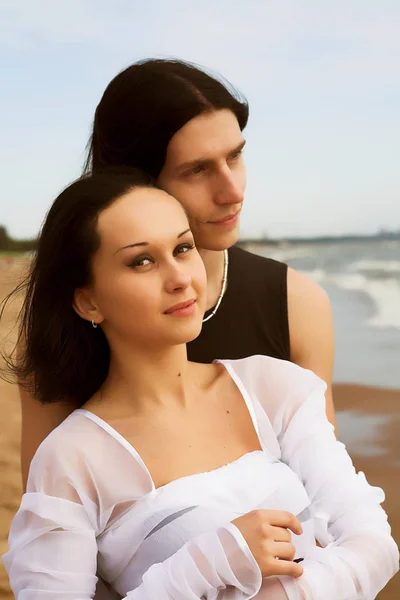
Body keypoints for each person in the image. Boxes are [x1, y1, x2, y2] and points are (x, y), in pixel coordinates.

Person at [2, 170, 398, 599]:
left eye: (183, 248)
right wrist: (204, 564)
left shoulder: (274, 389)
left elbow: (376, 545)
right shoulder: (70, 460)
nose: (179, 278)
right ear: (88, 301)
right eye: (143, 261)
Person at [19, 58, 336, 492]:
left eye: (235, 156)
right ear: (134, 182)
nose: (233, 191)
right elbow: (50, 526)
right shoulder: (67, 327)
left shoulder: (297, 305)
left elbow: (329, 502)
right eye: (197, 170)